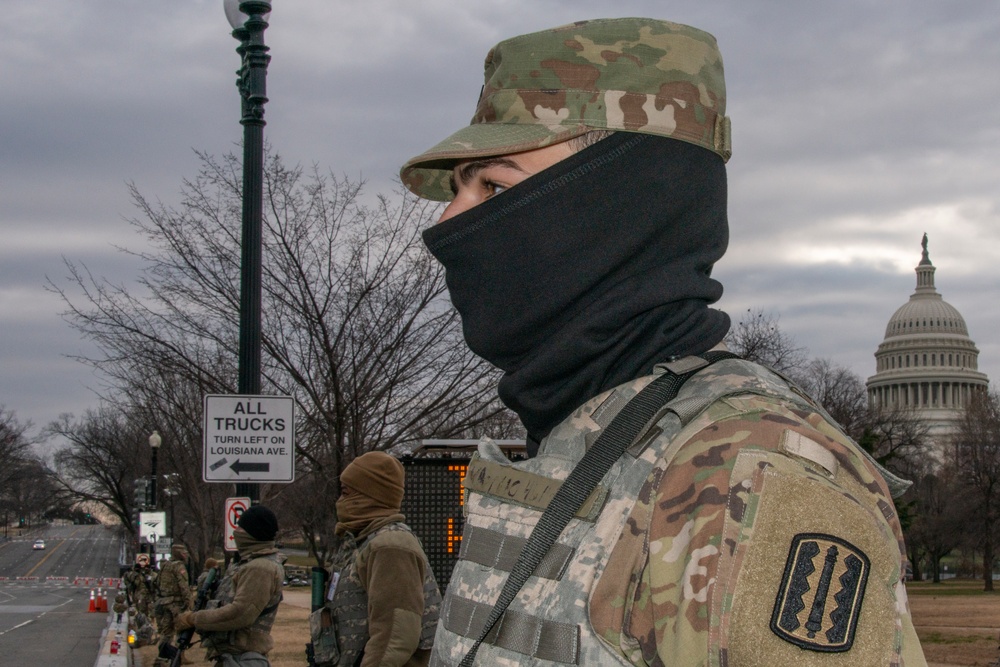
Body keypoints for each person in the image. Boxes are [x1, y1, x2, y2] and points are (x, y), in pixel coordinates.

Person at [399, 17, 928, 666]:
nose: (450, 221)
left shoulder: (740, 476)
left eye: (495, 185)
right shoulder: (587, 434)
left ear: (618, 205)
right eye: (458, 189)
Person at [311, 451, 441, 667]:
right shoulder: (366, 544)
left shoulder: (391, 545)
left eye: (346, 493)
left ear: (370, 495)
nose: (340, 501)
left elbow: (394, 637)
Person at [175, 505, 285, 667]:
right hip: (233, 657)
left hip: (243, 658)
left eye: (241, 527)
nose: (236, 531)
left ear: (253, 532)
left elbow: (240, 614)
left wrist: (194, 619)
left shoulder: (260, 567)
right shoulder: (246, 564)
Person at [155, 543, 193, 664]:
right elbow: (183, 586)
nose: (186, 555)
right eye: (184, 553)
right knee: (181, 630)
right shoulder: (179, 566)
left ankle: (162, 655)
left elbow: (156, 583)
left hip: (164, 602)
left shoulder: (165, 565)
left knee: (166, 631)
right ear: (178, 554)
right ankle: (178, 656)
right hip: (176, 603)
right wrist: (189, 601)